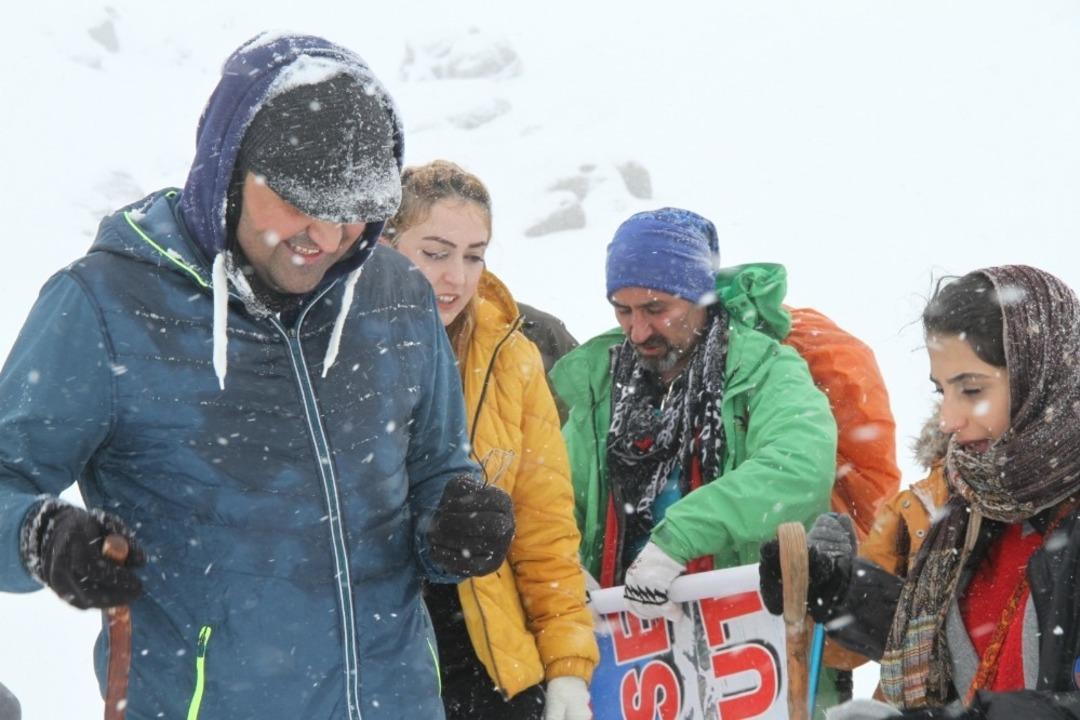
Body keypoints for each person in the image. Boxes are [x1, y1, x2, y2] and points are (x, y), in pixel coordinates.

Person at [0, 34, 516, 720]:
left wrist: (456, 524)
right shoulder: (108, 305)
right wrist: (39, 538)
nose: (325, 237)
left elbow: (438, 468)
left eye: (350, 213)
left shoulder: (395, 293)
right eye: (299, 203)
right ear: (228, 168)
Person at [763, 266, 1080, 719]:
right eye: (941, 391)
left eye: (971, 389)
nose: (948, 420)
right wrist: (838, 589)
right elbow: (936, 643)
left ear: (1044, 379)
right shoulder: (979, 504)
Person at [549, 207, 839, 701]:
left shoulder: (765, 369)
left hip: (753, 652)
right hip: (634, 662)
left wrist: (677, 538)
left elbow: (797, 466)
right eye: (623, 310)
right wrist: (563, 565)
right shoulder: (603, 384)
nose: (638, 331)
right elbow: (554, 492)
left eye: (656, 308)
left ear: (700, 297)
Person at [382, 160, 598, 720]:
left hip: (487, 663)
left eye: (473, 256)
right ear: (384, 243)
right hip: (372, 656)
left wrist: (567, 664)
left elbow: (544, 528)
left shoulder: (511, 356)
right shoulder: (331, 343)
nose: (456, 277)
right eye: (436, 253)